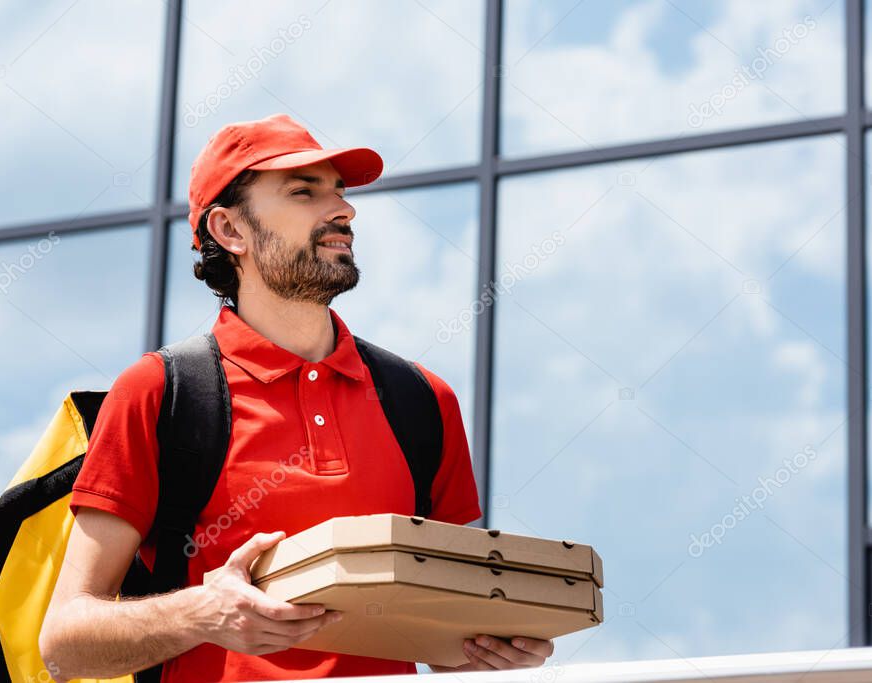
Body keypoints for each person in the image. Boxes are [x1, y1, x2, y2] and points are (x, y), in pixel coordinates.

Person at [39, 113, 555, 682]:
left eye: (338, 191)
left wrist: (485, 645)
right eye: (304, 191)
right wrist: (202, 614)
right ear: (229, 231)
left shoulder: (423, 400)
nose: (343, 210)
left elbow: (440, 638)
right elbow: (65, 645)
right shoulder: (161, 393)